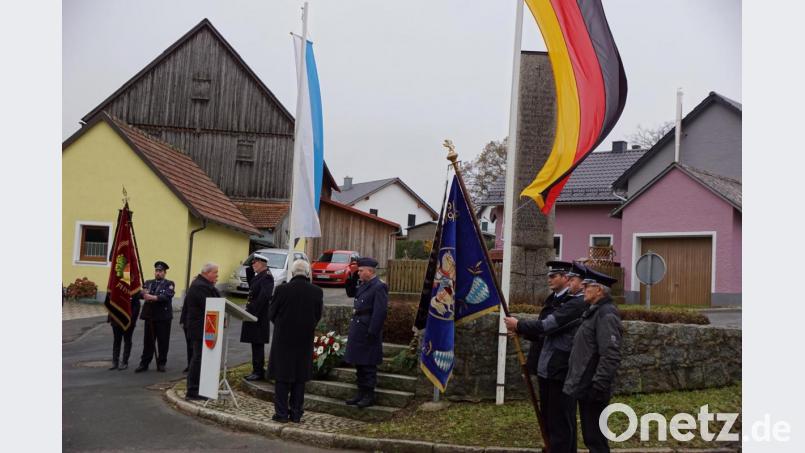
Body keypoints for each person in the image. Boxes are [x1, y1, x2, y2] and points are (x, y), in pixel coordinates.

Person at [503, 261, 588, 453]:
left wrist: (519, 325)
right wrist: (522, 331)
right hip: (549, 366)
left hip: (561, 367)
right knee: (550, 418)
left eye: (554, 276)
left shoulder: (576, 303)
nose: (549, 279)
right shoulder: (554, 299)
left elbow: (549, 326)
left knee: (560, 421)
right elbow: (544, 331)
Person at [563, 268, 622, 453]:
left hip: (594, 387)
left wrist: (598, 385)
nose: (583, 287)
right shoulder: (594, 311)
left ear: (599, 290)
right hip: (586, 385)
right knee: (591, 437)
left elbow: (611, 353)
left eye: (587, 285)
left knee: (596, 440)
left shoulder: (606, 314)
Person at [267, 259, 323, 423]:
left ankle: (281, 414)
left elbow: (272, 313)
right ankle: (296, 414)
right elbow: (317, 315)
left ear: (292, 273)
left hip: (283, 340)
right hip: (304, 340)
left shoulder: (281, 290)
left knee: (282, 377)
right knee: (299, 378)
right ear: (307, 273)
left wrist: (282, 325)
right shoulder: (316, 291)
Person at [343, 257, 388, 409]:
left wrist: (373, 331)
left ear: (370, 271)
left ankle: (368, 395)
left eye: (361, 271)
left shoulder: (378, 286)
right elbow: (352, 293)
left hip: (368, 328)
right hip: (358, 327)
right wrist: (350, 279)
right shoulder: (365, 284)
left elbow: (380, 312)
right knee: (359, 364)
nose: (359, 273)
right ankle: (360, 393)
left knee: (368, 365)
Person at [184, 262, 221, 401]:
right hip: (199, 328)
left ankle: (202, 387)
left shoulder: (206, 285)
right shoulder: (200, 286)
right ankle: (193, 390)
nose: (217, 276)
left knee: (201, 358)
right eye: (215, 273)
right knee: (198, 359)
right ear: (207, 273)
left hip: (206, 327)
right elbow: (211, 304)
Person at [135, 261, 175, 373]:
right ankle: (144, 363)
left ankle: (162, 363)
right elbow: (139, 295)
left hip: (163, 317)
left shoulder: (169, 283)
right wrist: (143, 293)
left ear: (165, 273)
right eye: (157, 271)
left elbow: (167, 296)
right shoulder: (148, 283)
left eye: (160, 271)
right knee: (148, 341)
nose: (158, 273)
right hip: (150, 316)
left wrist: (152, 297)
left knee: (163, 341)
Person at [240, 253, 274, 381]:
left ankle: (258, 371)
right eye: (252, 263)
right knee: (254, 342)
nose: (253, 265)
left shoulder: (267, 277)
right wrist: (250, 264)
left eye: (255, 263)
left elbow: (264, 296)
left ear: (262, 263)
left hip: (259, 315)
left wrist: (253, 312)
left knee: (258, 343)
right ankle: (256, 369)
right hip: (253, 314)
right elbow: (252, 284)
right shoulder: (259, 276)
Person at [107, 293, 141, 370]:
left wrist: (132, 321)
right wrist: (110, 318)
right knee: (116, 341)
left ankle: (125, 362)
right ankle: (115, 362)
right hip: (116, 320)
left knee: (127, 340)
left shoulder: (133, 291)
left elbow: (136, 307)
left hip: (128, 321)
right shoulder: (115, 289)